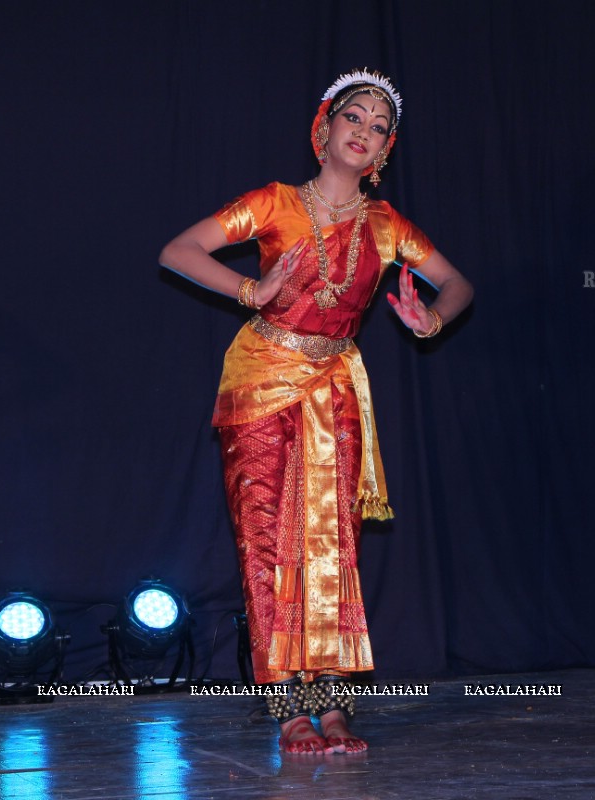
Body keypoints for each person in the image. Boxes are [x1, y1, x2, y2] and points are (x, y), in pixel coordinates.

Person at [159, 69, 473, 755]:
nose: (364, 131)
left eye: (378, 127)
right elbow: (177, 251)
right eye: (353, 118)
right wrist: (250, 286)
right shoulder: (273, 204)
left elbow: (457, 283)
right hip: (262, 381)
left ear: (385, 150)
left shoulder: (387, 226)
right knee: (270, 542)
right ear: (324, 127)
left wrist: (431, 321)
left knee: (332, 546)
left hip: (334, 388)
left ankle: (332, 705)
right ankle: (288, 706)